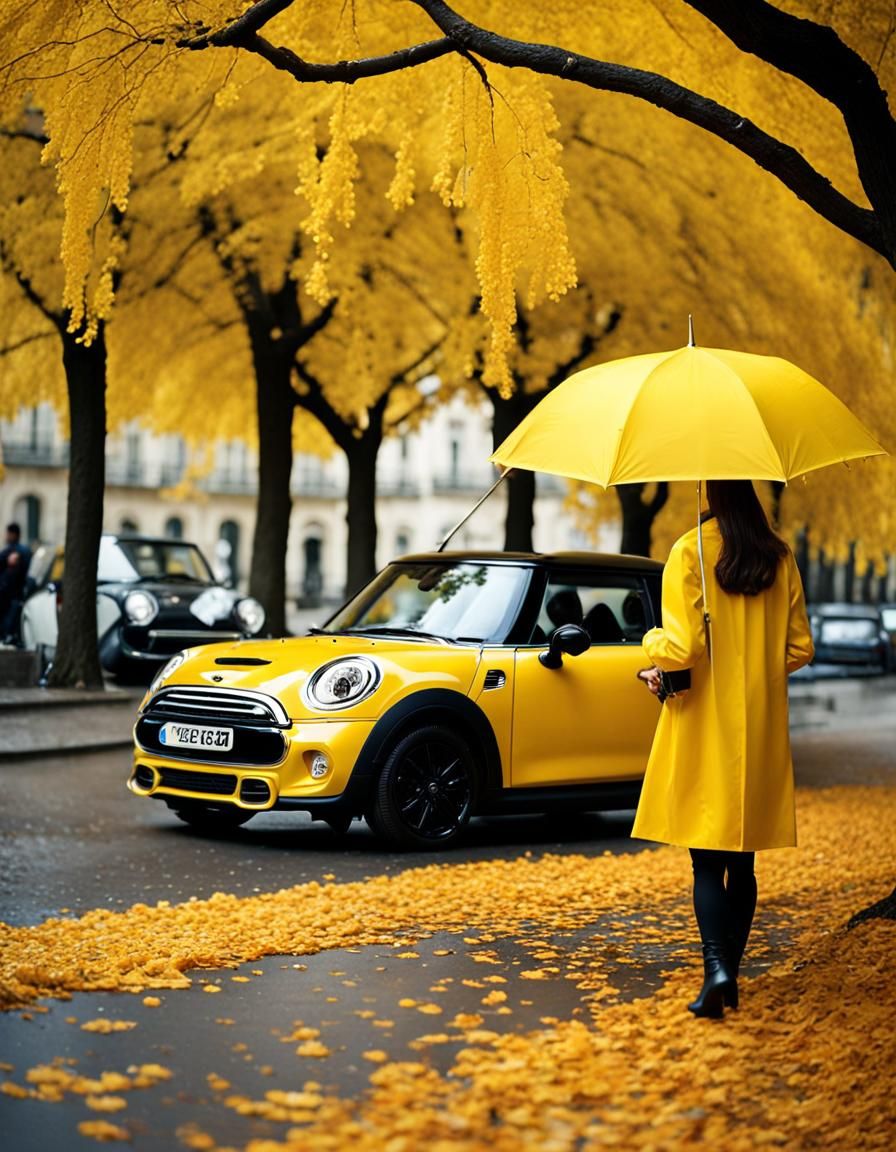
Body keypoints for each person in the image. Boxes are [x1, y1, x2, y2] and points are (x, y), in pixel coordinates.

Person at [632, 480, 814, 1018]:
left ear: (709, 491)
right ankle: (729, 974)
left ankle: (717, 970)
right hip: (756, 725)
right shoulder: (779, 557)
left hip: (704, 723)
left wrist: (648, 644)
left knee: (705, 862)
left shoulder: (690, 550)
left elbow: (682, 647)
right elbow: (801, 647)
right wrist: (754, 668)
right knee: (743, 860)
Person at [0, 522, 32, 642]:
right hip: (15, 591)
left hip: (10, 592)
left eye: (8, 534)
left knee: (9, 620)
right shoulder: (24, 550)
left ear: (13, 534)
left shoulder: (14, 551)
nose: (6, 536)